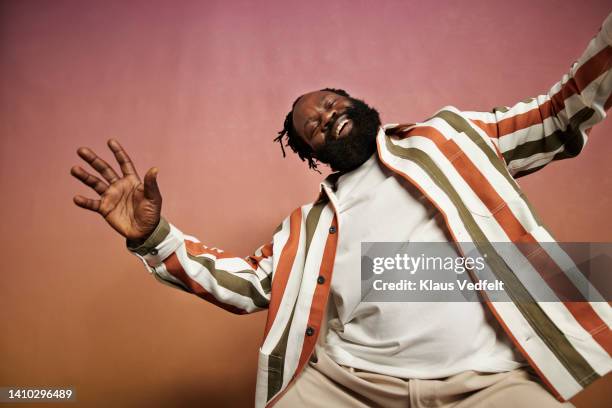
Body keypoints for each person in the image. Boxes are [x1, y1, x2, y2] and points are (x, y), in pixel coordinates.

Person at [71, 13, 612, 408]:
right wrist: (154, 237)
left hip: (490, 382)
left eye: (330, 104)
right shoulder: (309, 228)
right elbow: (245, 285)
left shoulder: (453, 138)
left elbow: (555, 114)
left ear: (354, 101)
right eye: (313, 127)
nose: (326, 117)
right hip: (355, 383)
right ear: (312, 156)